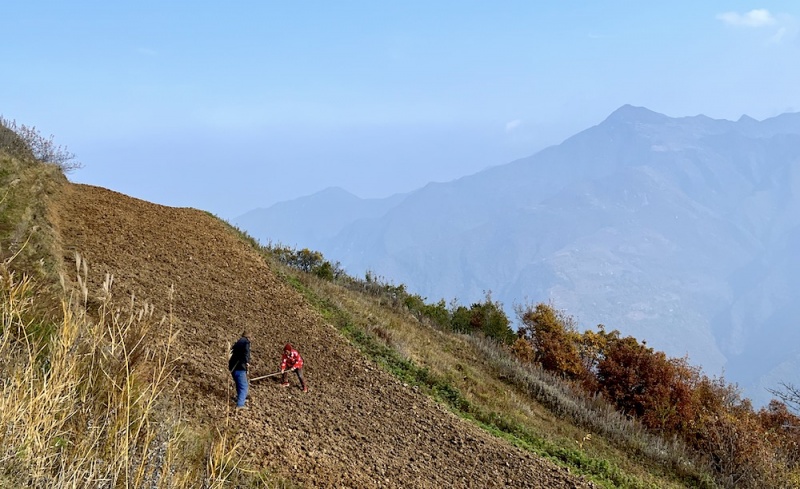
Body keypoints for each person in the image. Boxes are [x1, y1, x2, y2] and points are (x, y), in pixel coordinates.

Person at [229, 332, 251, 408]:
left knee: (239, 384)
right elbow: (246, 353)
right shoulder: (246, 342)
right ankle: (240, 405)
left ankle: (239, 398)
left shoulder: (237, 343)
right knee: (244, 386)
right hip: (240, 367)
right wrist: (247, 362)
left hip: (233, 367)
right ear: (248, 337)